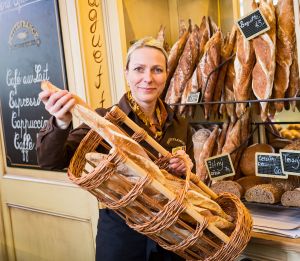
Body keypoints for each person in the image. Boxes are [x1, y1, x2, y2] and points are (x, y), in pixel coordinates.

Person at [37, 37, 195, 261]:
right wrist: (61, 122)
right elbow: (51, 160)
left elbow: (191, 180)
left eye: (157, 70)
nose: (148, 78)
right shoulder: (105, 120)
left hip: (171, 237)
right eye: (139, 69)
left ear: (166, 74)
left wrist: (185, 168)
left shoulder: (180, 123)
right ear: (127, 73)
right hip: (122, 236)